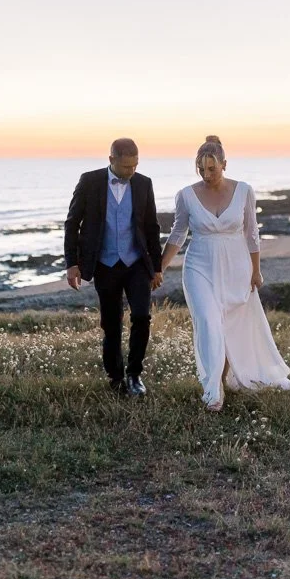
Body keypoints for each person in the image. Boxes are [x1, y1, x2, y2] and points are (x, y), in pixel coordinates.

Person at [159, 136, 290, 411]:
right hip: (199, 266)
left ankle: (224, 378)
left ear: (224, 164)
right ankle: (213, 390)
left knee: (231, 327)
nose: (206, 175)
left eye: (212, 169)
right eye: (201, 169)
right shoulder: (186, 195)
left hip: (237, 267)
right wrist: (158, 268)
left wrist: (256, 270)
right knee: (209, 322)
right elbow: (178, 233)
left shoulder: (244, 191)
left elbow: (252, 233)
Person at [64, 138, 163, 397]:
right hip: (105, 264)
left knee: (142, 316)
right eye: (126, 166)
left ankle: (134, 375)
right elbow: (72, 223)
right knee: (111, 323)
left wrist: (157, 266)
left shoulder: (144, 183)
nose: (131, 171)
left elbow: (152, 227)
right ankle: (115, 377)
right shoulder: (89, 181)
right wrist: (72, 264)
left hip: (137, 264)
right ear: (112, 160)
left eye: (135, 165)